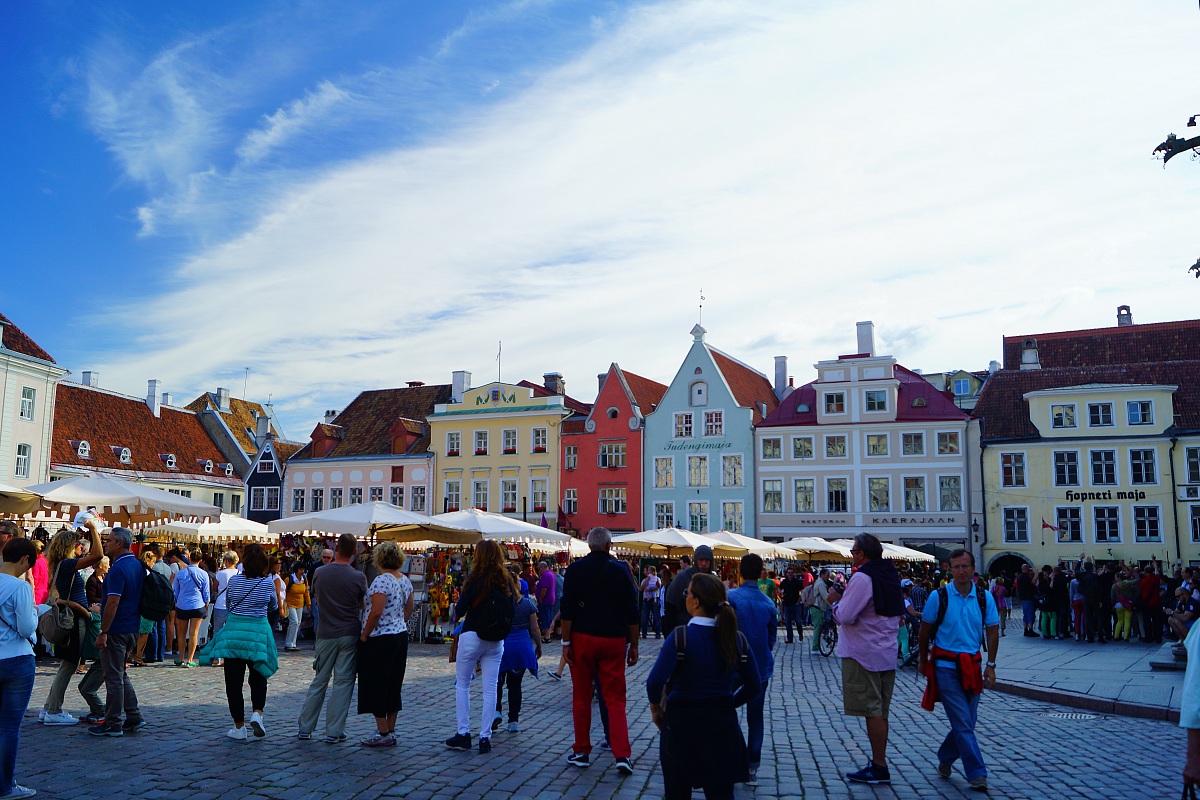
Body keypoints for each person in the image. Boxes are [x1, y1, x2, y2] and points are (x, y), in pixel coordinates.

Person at [646, 573, 760, 800]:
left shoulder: (680, 636)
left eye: (687, 593)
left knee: (677, 793)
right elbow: (754, 685)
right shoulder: (735, 639)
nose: (685, 597)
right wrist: (729, 703)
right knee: (721, 794)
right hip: (722, 726)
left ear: (696, 601)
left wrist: (656, 709)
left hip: (681, 725)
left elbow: (655, 681)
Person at [917, 548, 999, 793]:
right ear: (949, 570)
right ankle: (977, 773)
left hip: (972, 665)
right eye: (956, 567)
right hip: (945, 666)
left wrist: (991, 665)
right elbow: (924, 631)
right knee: (963, 721)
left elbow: (992, 631)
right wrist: (922, 660)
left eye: (965, 566)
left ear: (973, 568)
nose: (961, 571)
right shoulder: (938, 596)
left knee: (968, 722)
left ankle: (946, 755)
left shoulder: (984, 597)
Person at [560, 527, 639, 774]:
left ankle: (582, 751)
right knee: (615, 698)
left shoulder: (575, 570)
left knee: (582, 696)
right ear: (609, 546)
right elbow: (632, 611)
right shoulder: (620, 571)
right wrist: (634, 644)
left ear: (588, 545)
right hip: (613, 639)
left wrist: (565, 643)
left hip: (582, 638)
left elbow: (567, 609)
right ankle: (622, 754)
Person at [827, 533, 904, 785]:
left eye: (853, 552)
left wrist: (835, 603)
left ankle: (879, 765)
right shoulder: (889, 574)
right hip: (886, 650)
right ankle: (879, 763)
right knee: (881, 711)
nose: (852, 556)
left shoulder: (862, 577)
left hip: (863, 652)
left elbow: (846, 616)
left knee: (872, 711)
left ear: (862, 554)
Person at [199, 543, 279, 741]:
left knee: (233, 682)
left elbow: (230, 603)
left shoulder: (235, 580)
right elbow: (273, 605)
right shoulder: (267, 582)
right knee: (259, 676)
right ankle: (257, 713)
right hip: (257, 633)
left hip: (234, 633)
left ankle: (239, 727)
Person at [446, 540, 517, 755]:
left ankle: (463, 732)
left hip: (472, 635)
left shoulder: (474, 579)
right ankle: (485, 737)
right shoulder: (506, 580)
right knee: (490, 688)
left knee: (463, 684)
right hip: (496, 640)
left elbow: (460, 611)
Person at [297, 534, 367, 743]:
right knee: (343, 683)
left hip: (325, 632)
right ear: (354, 552)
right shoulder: (358, 577)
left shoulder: (320, 572)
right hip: (349, 632)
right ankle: (334, 731)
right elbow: (363, 605)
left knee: (320, 680)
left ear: (335, 548)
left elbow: (316, 595)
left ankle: (305, 727)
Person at [39, 519, 103, 726]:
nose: (81, 548)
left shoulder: (61, 564)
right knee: (68, 665)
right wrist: (94, 530)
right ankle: (54, 710)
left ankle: (49, 707)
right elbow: (98, 555)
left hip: (73, 617)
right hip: (74, 620)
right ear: (69, 546)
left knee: (66, 665)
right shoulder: (66, 564)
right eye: (78, 544)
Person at [89, 527, 146, 737]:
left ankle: (113, 723)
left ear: (120, 544)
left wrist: (103, 631)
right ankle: (134, 715)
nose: (106, 543)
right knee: (121, 673)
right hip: (132, 626)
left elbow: (113, 602)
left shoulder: (117, 569)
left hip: (116, 628)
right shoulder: (137, 565)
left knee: (113, 677)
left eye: (110, 540)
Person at [357, 541, 414, 748]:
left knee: (376, 682)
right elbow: (410, 607)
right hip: (400, 635)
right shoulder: (404, 580)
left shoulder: (382, 581)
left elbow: (376, 611)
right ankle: (390, 729)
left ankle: (382, 731)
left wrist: (365, 635)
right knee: (393, 683)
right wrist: (398, 621)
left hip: (381, 638)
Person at [727, 554, 776, 786]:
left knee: (725, 708)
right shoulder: (768, 603)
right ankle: (752, 767)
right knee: (756, 717)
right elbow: (771, 638)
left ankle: (730, 757)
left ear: (740, 572)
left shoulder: (731, 598)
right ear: (760, 574)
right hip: (759, 666)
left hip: (733, 663)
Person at [0, 537, 39, 798]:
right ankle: (5, 786)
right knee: (8, 728)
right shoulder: (20, 587)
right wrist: (36, 612)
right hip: (16, 658)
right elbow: (26, 628)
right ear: (25, 559)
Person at [493, 578, 540, 735]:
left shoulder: (498, 603)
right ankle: (513, 721)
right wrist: (539, 646)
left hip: (501, 645)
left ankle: (496, 711)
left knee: (497, 683)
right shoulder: (526, 604)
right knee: (515, 685)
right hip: (520, 647)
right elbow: (535, 629)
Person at [172, 549, 211, 667]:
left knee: (181, 633)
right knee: (194, 633)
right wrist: (206, 606)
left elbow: (175, 591)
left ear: (189, 558)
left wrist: (177, 601)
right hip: (197, 605)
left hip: (182, 605)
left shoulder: (181, 573)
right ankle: (190, 659)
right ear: (200, 560)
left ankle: (180, 657)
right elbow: (206, 593)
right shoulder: (203, 574)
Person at [662, 547, 712, 634]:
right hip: (684, 629)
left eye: (707, 560)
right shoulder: (682, 578)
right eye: (701, 560)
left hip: (708, 630)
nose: (704, 563)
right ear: (696, 560)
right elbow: (670, 607)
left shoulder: (713, 581)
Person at [211, 551, 240, 666]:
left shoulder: (220, 574)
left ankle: (217, 657)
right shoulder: (240, 573)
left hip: (220, 604)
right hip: (235, 606)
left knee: (217, 631)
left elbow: (214, 588)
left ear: (226, 561)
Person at [284, 564, 311, 652]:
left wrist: (308, 603)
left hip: (300, 604)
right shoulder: (289, 579)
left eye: (303, 570)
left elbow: (306, 592)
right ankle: (289, 643)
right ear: (296, 570)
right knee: (294, 622)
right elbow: (283, 591)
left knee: (297, 623)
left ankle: (293, 643)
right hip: (290, 603)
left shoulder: (304, 579)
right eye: (300, 569)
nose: (302, 571)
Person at [807, 569, 833, 654]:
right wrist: (833, 606)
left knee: (817, 628)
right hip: (818, 608)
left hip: (815, 607)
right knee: (817, 629)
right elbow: (825, 597)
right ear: (822, 575)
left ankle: (816, 647)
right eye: (827, 575)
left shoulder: (817, 582)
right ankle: (815, 648)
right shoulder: (821, 584)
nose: (828, 577)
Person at [534, 561, 557, 644]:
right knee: (548, 615)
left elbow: (544, 589)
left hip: (546, 599)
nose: (538, 571)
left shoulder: (545, 575)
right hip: (550, 598)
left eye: (538, 569)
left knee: (546, 617)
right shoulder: (551, 574)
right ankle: (548, 634)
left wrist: (540, 598)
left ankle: (547, 636)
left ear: (541, 568)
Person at [779, 568, 803, 644]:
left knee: (798, 621)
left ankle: (800, 633)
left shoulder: (797, 581)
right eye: (789, 572)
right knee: (788, 622)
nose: (790, 574)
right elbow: (779, 589)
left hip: (796, 604)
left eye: (791, 572)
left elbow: (801, 591)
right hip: (787, 604)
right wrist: (781, 593)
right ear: (786, 573)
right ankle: (790, 638)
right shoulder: (784, 582)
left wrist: (799, 600)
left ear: (793, 573)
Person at [639, 565, 662, 640]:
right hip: (646, 599)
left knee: (656, 616)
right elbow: (641, 588)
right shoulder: (645, 580)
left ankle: (657, 633)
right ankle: (644, 633)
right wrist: (646, 581)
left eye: (647, 570)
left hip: (654, 599)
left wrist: (650, 589)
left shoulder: (657, 578)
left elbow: (658, 586)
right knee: (645, 617)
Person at [1016, 563, 1037, 637]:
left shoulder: (1020, 577)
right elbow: (1032, 582)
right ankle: (1030, 629)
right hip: (1028, 597)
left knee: (1025, 614)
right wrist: (1036, 574)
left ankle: (1026, 629)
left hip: (1023, 598)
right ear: (1026, 568)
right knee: (1030, 614)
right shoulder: (1024, 577)